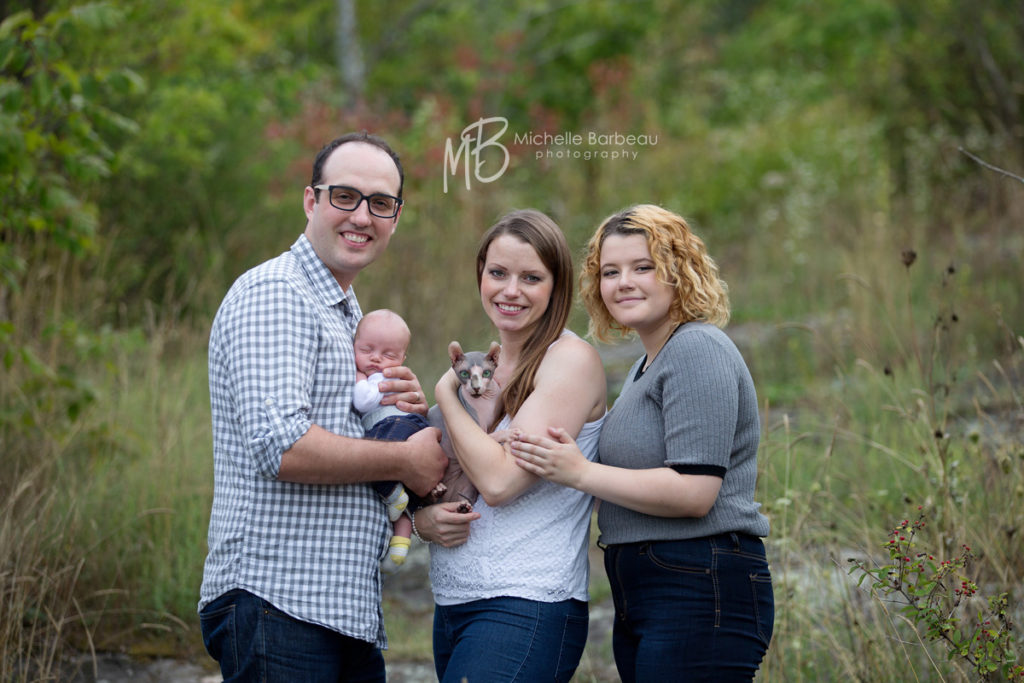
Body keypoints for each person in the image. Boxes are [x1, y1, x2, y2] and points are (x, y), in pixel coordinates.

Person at [198, 131, 456, 682]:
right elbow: (284, 447)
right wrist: (401, 459)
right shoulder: (278, 293)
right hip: (278, 602)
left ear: (396, 217)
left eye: (380, 203)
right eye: (345, 196)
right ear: (311, 200)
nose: (362, 216)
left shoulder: (345, 314)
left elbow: (337, 427)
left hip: (339, 609)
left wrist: (394, 414)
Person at [511, 204, 775, 682]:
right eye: (610, 271)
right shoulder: (644, 366)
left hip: (700, 581)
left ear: (679, 271)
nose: (623, 282)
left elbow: (696, 492)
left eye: (643, 267)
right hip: (648, 586)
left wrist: (578, 472)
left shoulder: (697, 348)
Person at [411, 209, 608, 683]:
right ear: (480, 273)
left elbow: (499, 482)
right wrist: (424, 521)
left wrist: (444, 395)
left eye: (531, 277)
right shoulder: (484, 370)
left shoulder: (569, 360)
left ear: (556, 286)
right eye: (497, 272)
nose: (510, 290)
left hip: (526, 605)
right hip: (455, 604)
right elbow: (454, 469)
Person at [351, 308, 428, 572]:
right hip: (405, 425)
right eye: (367, 350)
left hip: (395, 425)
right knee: (407, 490)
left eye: (388, 355)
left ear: (402, 358)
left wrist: (360, 378)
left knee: (374, 458)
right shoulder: (393, 374)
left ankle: (392, 494)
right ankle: (400, 543)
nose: (375, 359)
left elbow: (363, 401)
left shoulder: (380, 378)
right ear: (354, 344)